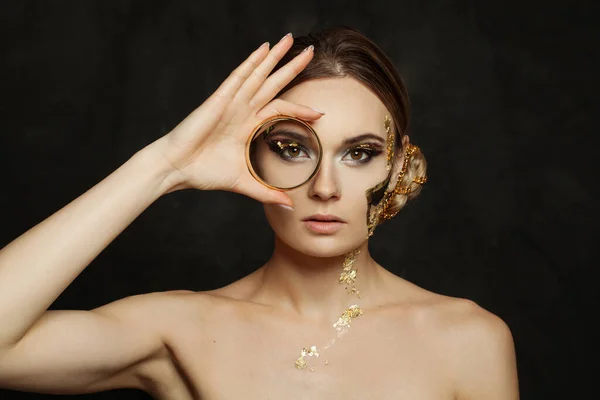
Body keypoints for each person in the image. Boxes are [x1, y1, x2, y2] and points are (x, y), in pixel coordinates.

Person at [0, 25, 519, 399]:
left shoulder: (467, 338)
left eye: (360, 153)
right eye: (293, 148)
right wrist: (164, 164)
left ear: (399, 167)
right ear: (253, 155)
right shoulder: (178, 329)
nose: (325, 187)